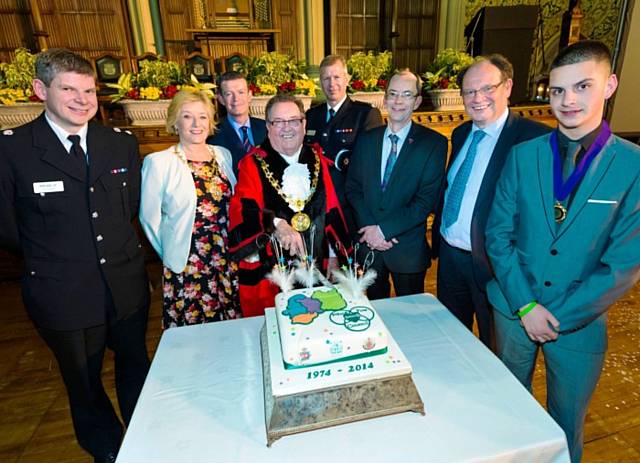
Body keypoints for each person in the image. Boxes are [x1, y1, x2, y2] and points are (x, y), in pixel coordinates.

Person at [485, 40, 640, 462]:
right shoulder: (523, 155)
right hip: (514, 311)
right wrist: (526, 306)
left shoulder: (633, 166)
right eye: (557, 90)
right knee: (506, 411)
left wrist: (553, 318)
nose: (568, 100)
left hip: (577, 323)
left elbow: (623, 266)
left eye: (582, 86)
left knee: (565, 425)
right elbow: (498, 235)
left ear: (609, 86)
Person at [0, 49, 150, 463]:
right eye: (69, 89)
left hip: (125, 286)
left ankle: (147, 439)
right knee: (84, 383)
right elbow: (9, 229)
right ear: (39, 90)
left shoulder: (119, 144)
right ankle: (108, 450)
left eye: (89, 90)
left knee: (136, 369)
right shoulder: (13, 149)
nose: (82, 99)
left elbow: (129, 209)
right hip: (62, 293)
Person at [432, 54, 551, 349]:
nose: (478, 98)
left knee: (494, 348)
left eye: (487, 88)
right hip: (450, 260)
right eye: (469, 91)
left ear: (507, 87)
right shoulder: (461, 134)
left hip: (494, 266)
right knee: (451, 338)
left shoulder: (534, 140)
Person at [228, 94, 350, 316]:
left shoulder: (319, 160)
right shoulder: (252, 164)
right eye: (279, 122)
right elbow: (242, 211)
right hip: (274, 273)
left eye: (294, 120)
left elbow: (330, 210)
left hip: (318, 266)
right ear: (268, 126)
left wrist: (334, 255)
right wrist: (276, 224)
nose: (287, 128)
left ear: (304, 124)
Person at [140, 90, 241, 327]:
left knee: (231, 327)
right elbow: (149, 219)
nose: (197, 124)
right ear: (175, 121)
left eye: (203, 116)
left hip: (226, 257)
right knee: (194, 332)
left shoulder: (223, 155)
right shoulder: (159, 162)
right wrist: (173, 253)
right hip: (188, 263)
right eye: (187, 117)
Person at [346, 70, 447, 300]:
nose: (398, 101)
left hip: (407, 251)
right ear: (385, 99)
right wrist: (371, 230)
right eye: (393, 94)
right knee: (374, 316)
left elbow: (425, 201)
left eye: (406, 95)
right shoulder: (366, 139)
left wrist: (383, 230)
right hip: (368, 247)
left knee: (411, 321)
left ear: (417, 101)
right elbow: (353, 188)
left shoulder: (433, 144)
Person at [305, 54, 384, 231]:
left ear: (347, 79)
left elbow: (372, 167)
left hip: (349, 207)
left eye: (337, 77)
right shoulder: (311, 116)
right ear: (320, 82)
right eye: (326, 78)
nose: (332, 84)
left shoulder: (365, 114)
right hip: (317, 206)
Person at [206, 71, 266, 176]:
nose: (236, 99)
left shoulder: (267, 128)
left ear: (249, 95)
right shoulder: (212, 136)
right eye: (229, 94)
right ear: (221, 99)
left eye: (241, 92)